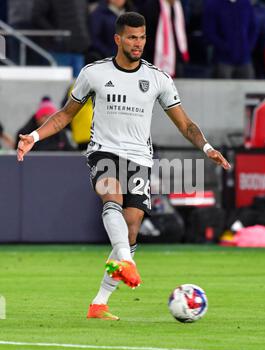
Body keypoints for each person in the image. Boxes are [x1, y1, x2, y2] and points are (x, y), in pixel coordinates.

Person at [17, 12, 230, 321]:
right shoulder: (94, 73)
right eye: (132, 37)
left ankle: (99, 303)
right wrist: (34, 136)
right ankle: (126, 263)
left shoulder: (158, 78)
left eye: (142, 37)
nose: (138, 43)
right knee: (111, 197)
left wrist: (207, 147)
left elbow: (184, 124)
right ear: (118, 39)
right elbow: (66, 114)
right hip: (104, 152)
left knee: (131, 230)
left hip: (141, 158)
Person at [203, 0, 258, 79]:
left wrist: (248, 47)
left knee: (248, 88)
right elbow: (209, 32)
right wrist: (224, 47)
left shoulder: (245, 3)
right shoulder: (213, 4)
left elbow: (253, 28)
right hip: (223, 60)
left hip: (245, 59)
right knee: (223, 89)